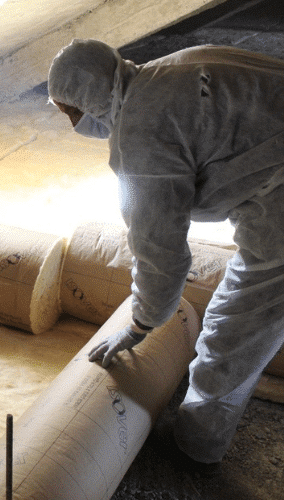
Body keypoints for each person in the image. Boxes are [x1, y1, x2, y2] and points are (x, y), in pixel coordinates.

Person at [47, 38, 284, 471]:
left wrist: (140, 325)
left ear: (85, 99)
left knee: (231, 332)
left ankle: (194, 450)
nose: (70, 122)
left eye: (68, 110)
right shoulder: (165, 71)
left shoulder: (141, 135)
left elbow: (161, 251)